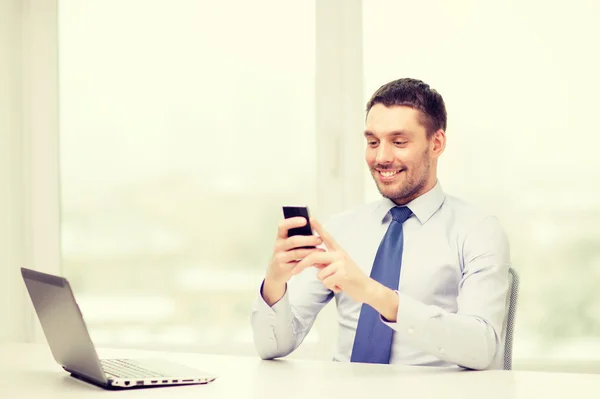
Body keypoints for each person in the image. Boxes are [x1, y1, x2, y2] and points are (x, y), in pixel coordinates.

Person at [250, 78, 511, 370]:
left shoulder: (477, 230)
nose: (382, 157)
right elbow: (271, 346)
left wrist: (373, 294)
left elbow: (482, 347)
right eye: (373, 142)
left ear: (436, 143)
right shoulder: (341, 230)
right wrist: (275, 282)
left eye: (399, 142)